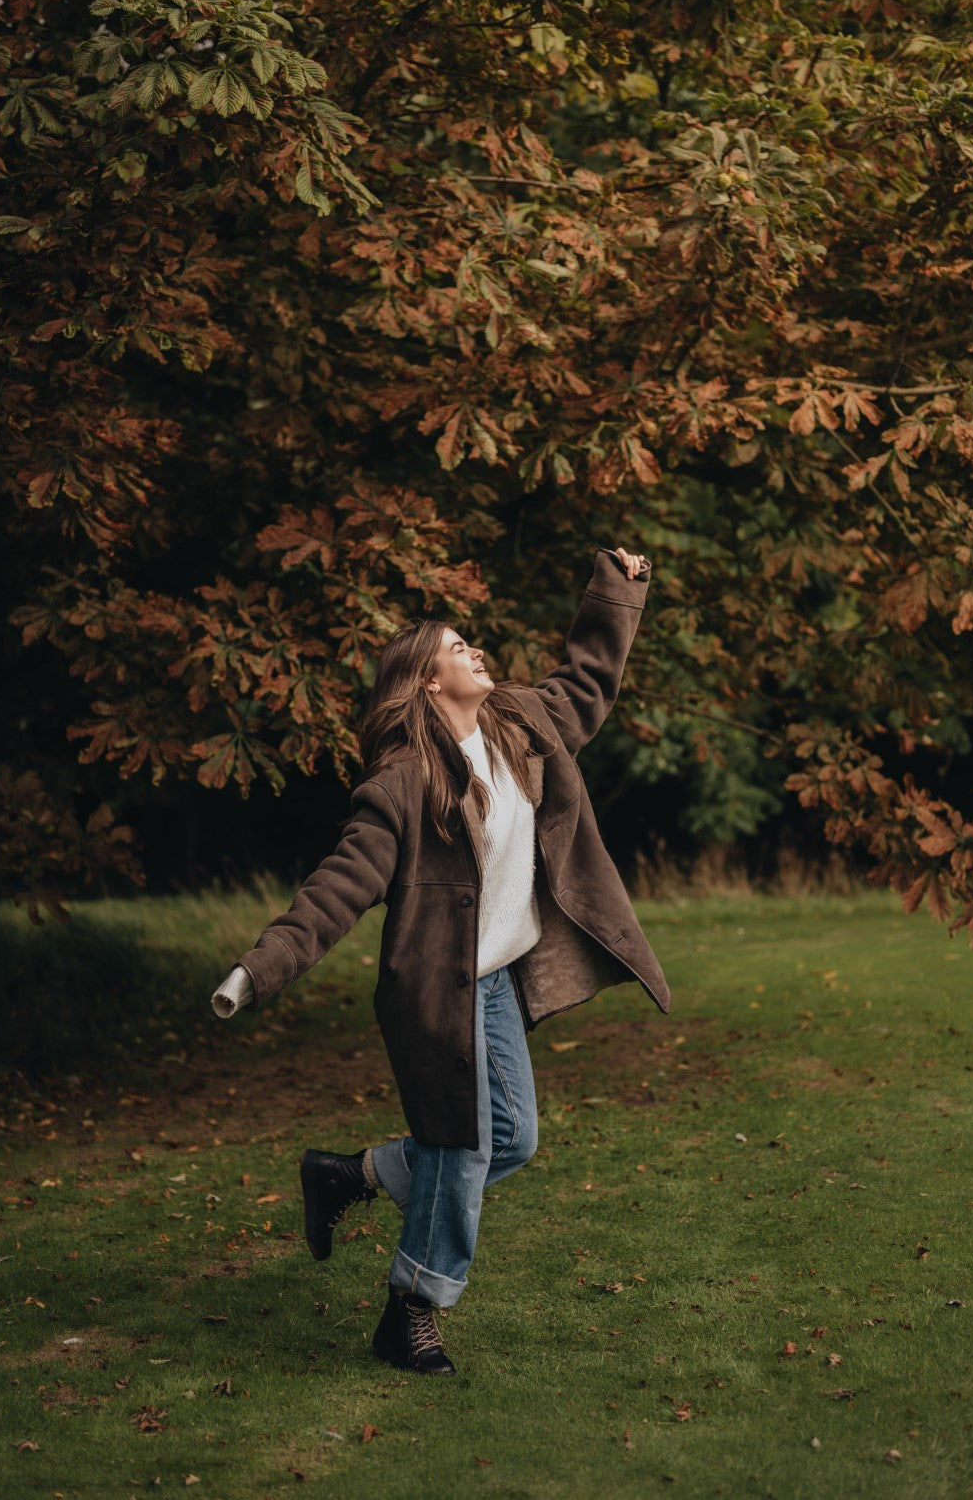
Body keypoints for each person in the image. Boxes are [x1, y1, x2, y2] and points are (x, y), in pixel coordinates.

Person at [211, 545, 671, 1376]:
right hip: (434, 990)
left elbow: (589, 680)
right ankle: (411, 1310)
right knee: (461, 1145)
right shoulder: (399, 784)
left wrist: (618, 586)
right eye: (459, 648)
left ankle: (354, 1172)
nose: (476, 652)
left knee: (515, 1139)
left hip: (494, 979)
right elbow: (337, 887)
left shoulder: (521, 722)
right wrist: (258, 969)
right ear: (426, 679)